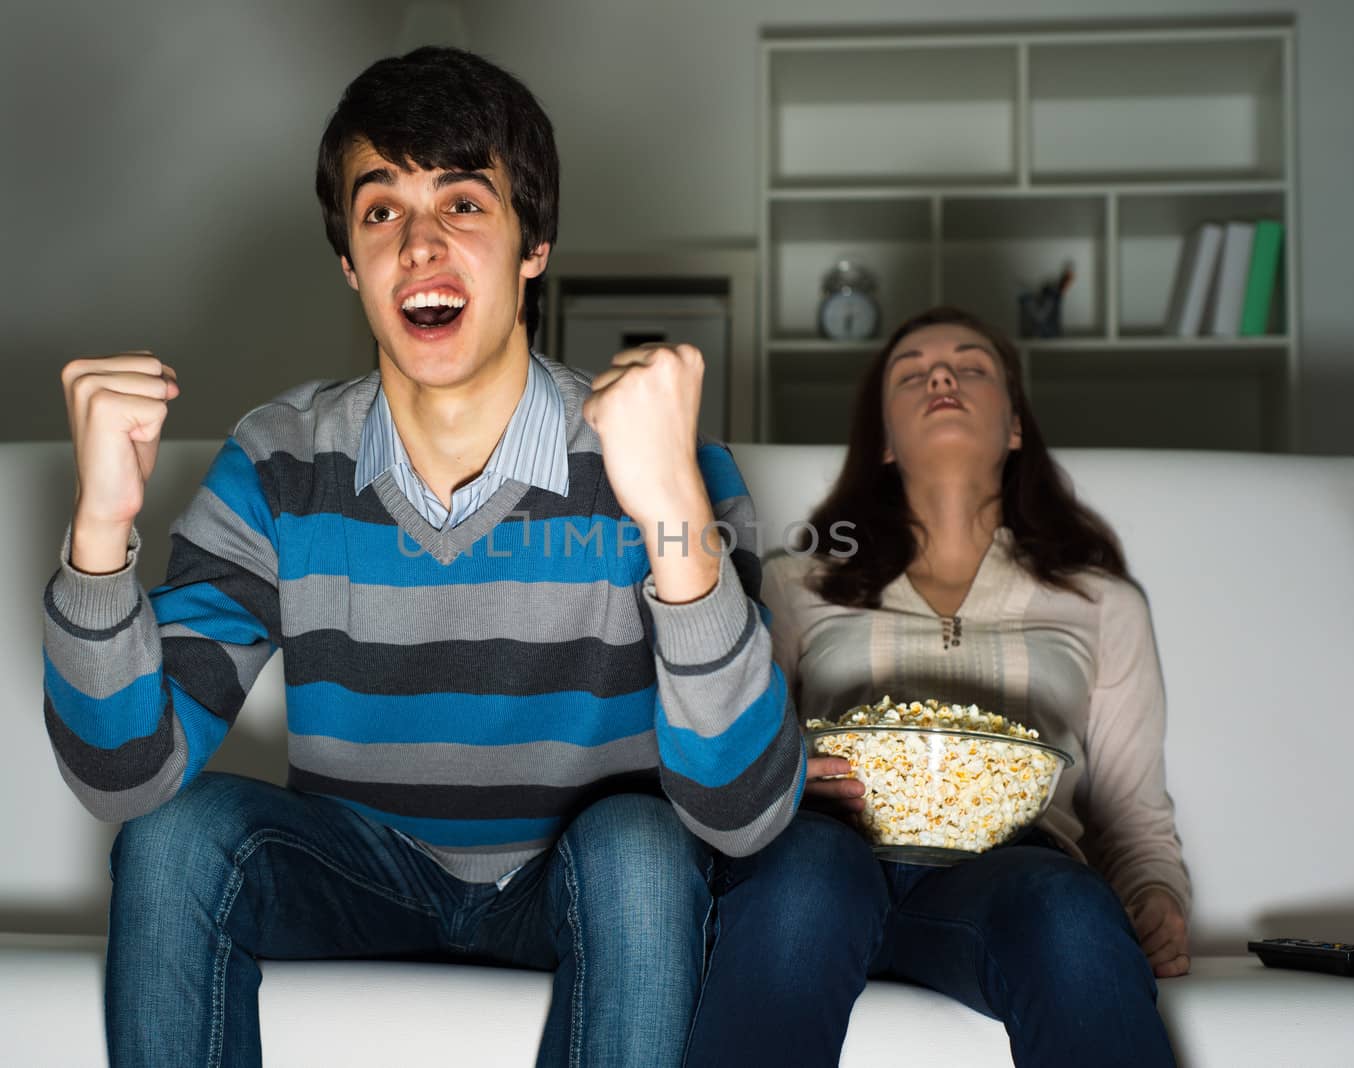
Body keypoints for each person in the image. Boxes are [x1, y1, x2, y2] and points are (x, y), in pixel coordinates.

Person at [43, 46, 802, 1067]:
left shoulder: (671, 463)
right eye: (381, 212)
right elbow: (128, 777)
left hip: (581, 890)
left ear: (533, 245)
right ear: (350, 263)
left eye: (463, 205)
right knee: (171, 841)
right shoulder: (278, 460)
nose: (418, 245)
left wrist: (670, 509)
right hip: (363, 876)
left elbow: (746, 814)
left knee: (642, 847)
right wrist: (98, 534)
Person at [684, 305, 1190, 1068]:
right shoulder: (796, 585)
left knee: (1071, 911)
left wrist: (1157, 897)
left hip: (1010, 876)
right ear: (883, 440)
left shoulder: (1101, 603)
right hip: (827, 858)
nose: (942, 376)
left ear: (1015, 427)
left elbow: (1132, 817)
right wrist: (784, 778)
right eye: (913, 373)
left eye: (971, 367)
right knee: (804, 888)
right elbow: (731, 755)